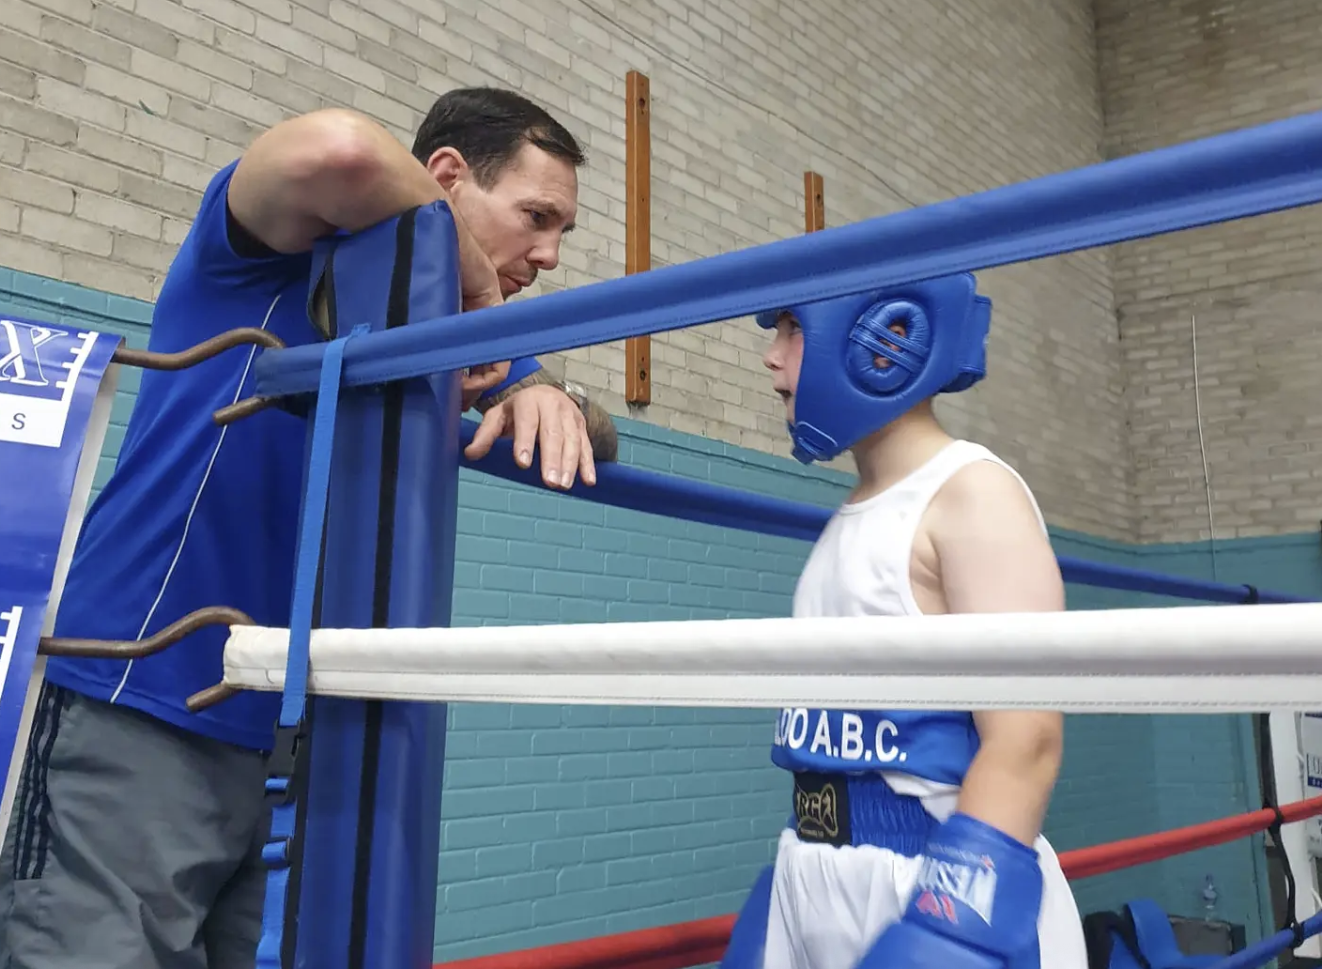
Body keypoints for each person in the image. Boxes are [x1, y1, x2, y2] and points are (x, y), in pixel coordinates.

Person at [0, 88, 614, 969]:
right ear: (447, 177)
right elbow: (341, 150)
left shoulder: (451, 339)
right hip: (146, 692)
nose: (550, 254)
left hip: (303, 732)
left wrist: (542, 385)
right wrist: (480, 284)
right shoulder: (265, 253)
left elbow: (597, 437)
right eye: (537, 217)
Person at [724, 275, 1088, 969]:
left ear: (886, 335)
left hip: (935, 871)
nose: (771, 355)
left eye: (792, 328)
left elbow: (1027, 739)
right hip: (815, 864)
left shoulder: (973, 493)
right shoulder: (855, 509)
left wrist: (953, 931)